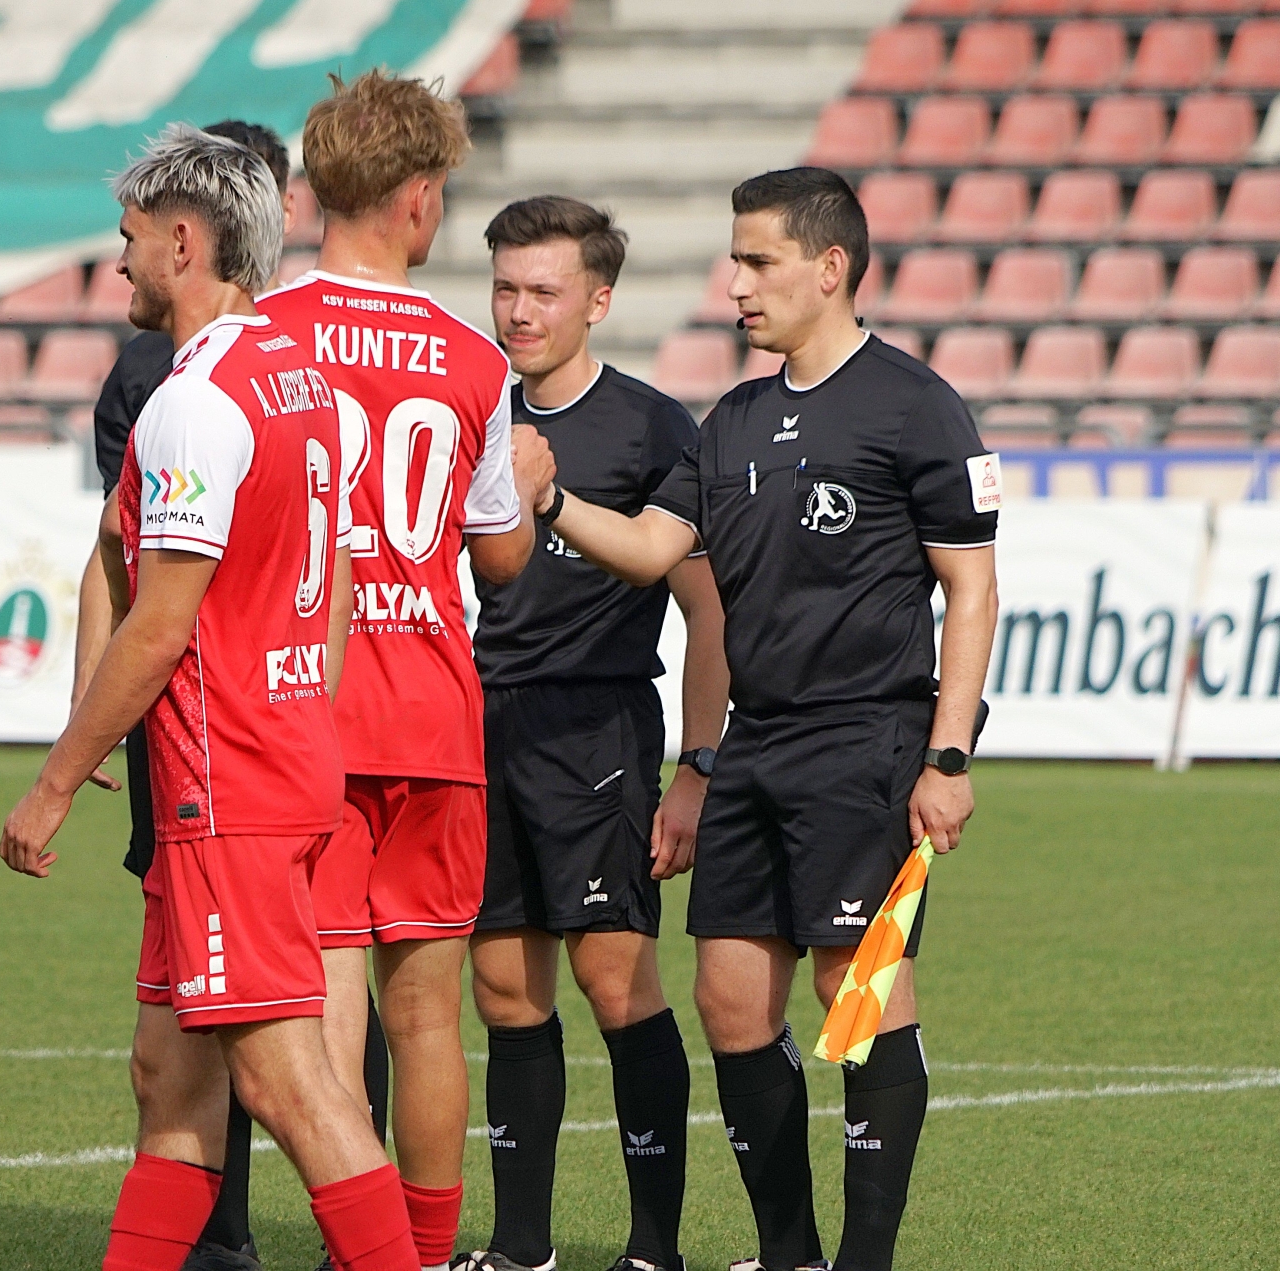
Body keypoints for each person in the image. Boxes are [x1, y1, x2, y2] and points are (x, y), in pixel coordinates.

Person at [512, 167, 1001, 1271]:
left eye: (757, 261)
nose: (734, 283)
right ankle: (790, 1254)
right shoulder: (729, 420)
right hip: (755, 744)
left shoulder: (914, 404)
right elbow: (653, 549)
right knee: (730, 1000)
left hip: (867, 740)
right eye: (735, 260)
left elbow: (971, 589)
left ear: (829, 268)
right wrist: (550, 499)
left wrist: (949, 754)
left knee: (853, 993)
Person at [0, 125, 416, 1271]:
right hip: (269, 761)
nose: (119, 261)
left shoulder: (197, 402)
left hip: (225, 784)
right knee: (170, 1078)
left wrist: (54, 783)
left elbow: (160, 623)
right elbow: (332, 579)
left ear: (185, 242)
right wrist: (304, 708)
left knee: (289, 1084)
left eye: (130, 238)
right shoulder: (302, 378)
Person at [257, 70, 554, 1271]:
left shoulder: (262, 334)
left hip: (308, 710)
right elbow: (501, 561)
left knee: (331, 998)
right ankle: (423, 1257)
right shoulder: (473, 359)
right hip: (433, 709)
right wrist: (524, 486)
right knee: (429, 1015)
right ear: (420, 197)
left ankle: (360, 1251)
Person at [461, 196, 730, 1271]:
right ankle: (520, 1247)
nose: (519, 312)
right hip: (483, 727)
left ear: (599, 301)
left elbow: (708, 610)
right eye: (505, 288)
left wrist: (696, 766)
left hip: (597, 728)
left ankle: (653, 1249)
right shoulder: (470, 412)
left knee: (617, 983)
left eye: (545, 291)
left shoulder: (652, 427)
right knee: (502, 990)